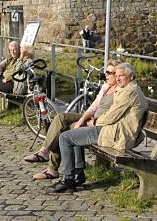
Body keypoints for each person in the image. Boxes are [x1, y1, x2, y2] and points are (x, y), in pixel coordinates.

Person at [46, 62, 147, 193]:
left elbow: (112, 115)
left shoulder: (130, 92)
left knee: (65, 138)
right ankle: (77, 174)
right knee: (74, 132)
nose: (118, 78)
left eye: (121, 76)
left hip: (116, 135)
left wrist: (95, 122)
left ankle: (68, 179)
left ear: (131, 76)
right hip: (113, 130)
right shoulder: (129, 89)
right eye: (116, 76)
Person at [25, 61, 118, 181]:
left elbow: (114, 114)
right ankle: (45, 151)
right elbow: (93, 107)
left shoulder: (119, 91)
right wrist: (82, 119)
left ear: (118, 74)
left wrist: (95, 121)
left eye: (110, 72)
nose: (106, 75)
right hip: (91, 118)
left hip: (100, 123)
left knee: (67, 130)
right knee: (61, 118)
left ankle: (57, 169)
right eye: (106, 72)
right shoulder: (106, 87)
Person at [0, 44, 33, 121]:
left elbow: (19, 71)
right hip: (8, 81)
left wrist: (10, 78)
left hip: (15, 85)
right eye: (11, 50)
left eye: (15, 50)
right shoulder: (11, 59)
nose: (13, 52)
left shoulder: (28, 61)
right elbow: (0, 66)